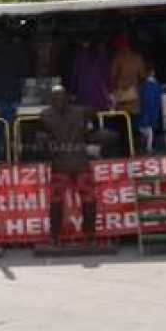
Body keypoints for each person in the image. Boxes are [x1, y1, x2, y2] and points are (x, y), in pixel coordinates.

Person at [39, 86, 98, 245]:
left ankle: (55, 237)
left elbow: (43, 139)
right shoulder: (82, 111)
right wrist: (88, 134)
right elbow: (94, 122)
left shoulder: (45, 115)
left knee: (58, 201)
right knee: (87, 199)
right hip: (79, 161)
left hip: (61, 162)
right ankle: (89, 236)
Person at [110, 33, 146, 114]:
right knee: (133, 122)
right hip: (134, 95)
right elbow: (143, 76)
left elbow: (112, 76)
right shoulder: (138, 58)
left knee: (121, 120)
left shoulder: (118, 58)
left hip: (121, 95)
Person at [71, 39, 111, 111]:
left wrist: (73, 92)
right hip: (99, 96)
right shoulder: (102, 56)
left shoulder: (80, 56)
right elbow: (106, 77)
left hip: (83, 94)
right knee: (99, 118)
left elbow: (75, 76)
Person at [138, 62, 163, 153]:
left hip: (147, 113)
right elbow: (155, 100)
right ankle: (148, 147)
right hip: (151, 113)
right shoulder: (154, 85)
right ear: (152, 72)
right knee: (149, 131)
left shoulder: (144, 86)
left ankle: (146, 147)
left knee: (146, 131)